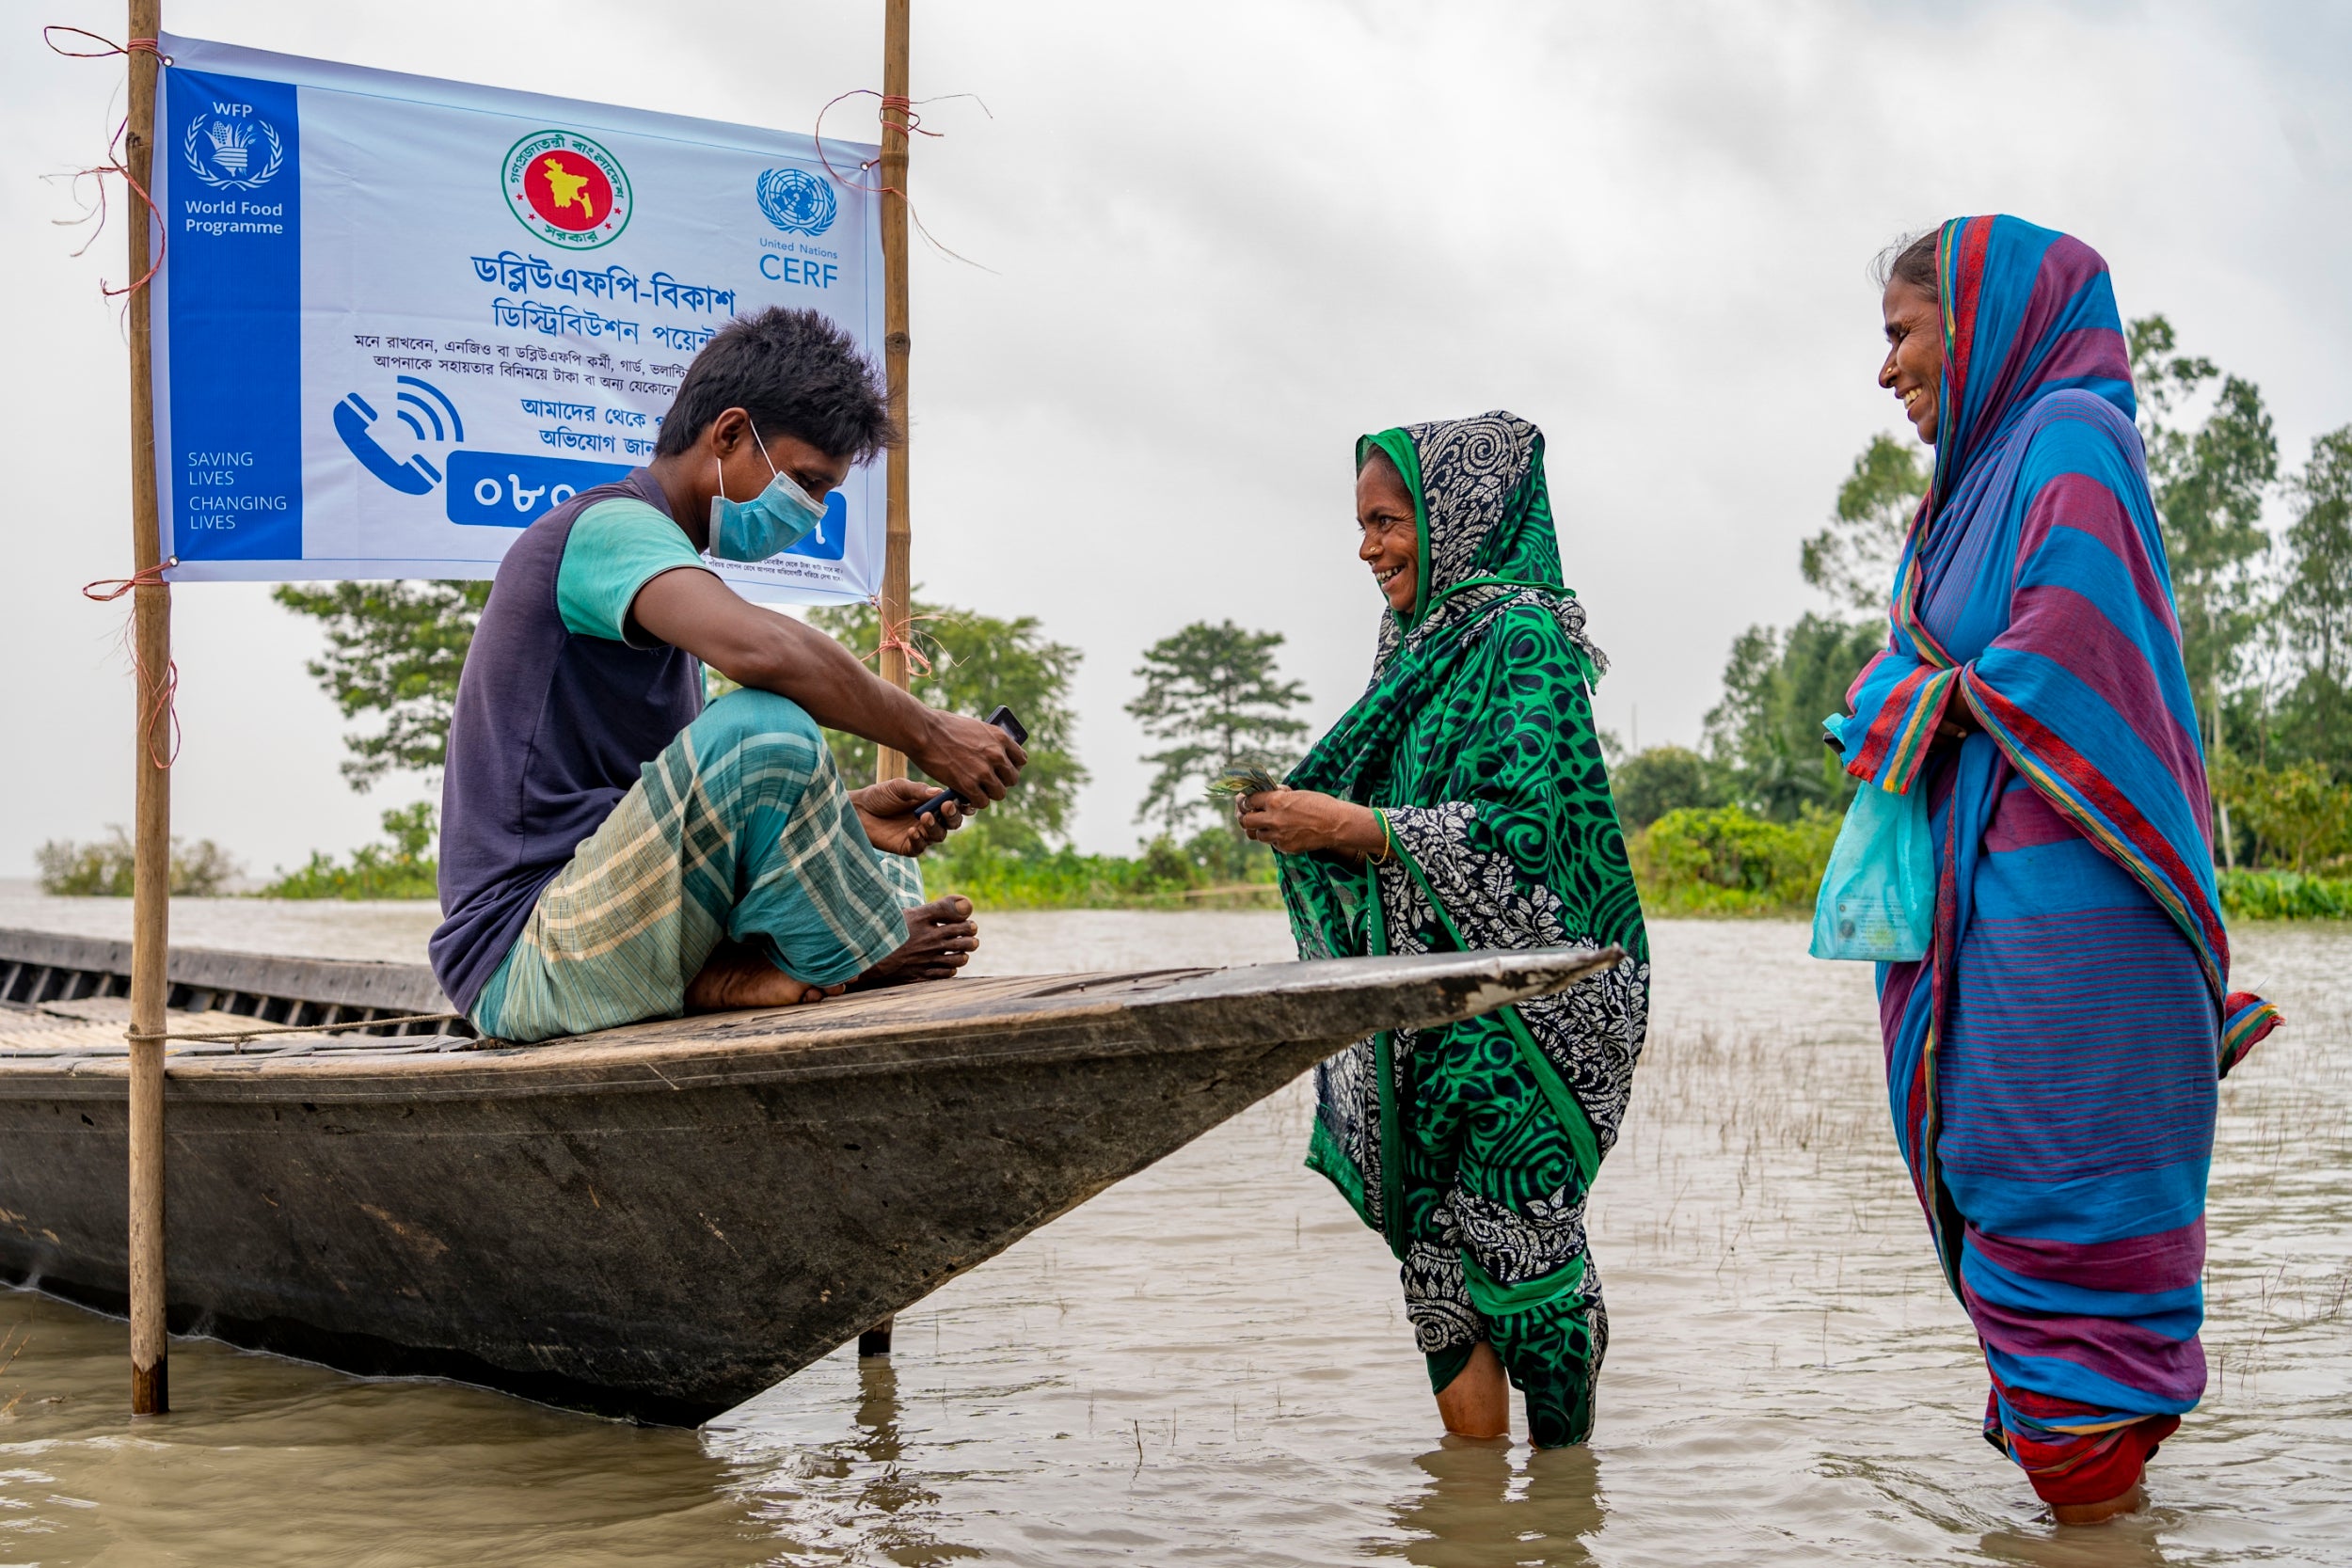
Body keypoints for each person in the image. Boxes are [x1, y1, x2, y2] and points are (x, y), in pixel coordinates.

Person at [1835, 216, 2280, 1523]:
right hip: (1996, 922)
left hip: (2072, 925)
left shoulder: (2073, 437)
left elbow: (2073, 638)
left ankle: (2093, 1520)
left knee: (2060, 1256)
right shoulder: (1969, 486)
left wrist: (1912, 699)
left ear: (1979, 324)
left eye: (1901, 335)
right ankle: (2111, 1533)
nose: (1886, 371)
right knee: (2028, 1250)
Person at [429, 307, 1025, 1044]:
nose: (810, 512)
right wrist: (929, 732)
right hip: (525, 955)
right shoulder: (606, 530)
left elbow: (653, 804)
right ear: (730, 433)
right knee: (766, 727)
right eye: (805, 482)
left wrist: (835, 812)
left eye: (826, 494)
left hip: (606, 920)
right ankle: (846, 953)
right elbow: (765, 654)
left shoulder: (663, 579)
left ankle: (753, 974)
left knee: (881, 853)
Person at [1236, 412, 1649, 1449]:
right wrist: (1316, 825)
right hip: (1424, 1008)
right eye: (1363, 523)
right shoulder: (1412, 646)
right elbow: (1386, 809)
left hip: (1535, 1012)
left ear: (1456, 514)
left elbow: (1526, 833)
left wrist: (1353, 824)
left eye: (1386, 520)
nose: (1367, 547)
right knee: (1434, 1260)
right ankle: (1474, 1518)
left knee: (1519, 1252)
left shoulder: (1521, 639)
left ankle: (1564, 1504)